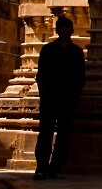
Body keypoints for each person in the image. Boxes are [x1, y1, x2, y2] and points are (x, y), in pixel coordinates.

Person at [33, 15, 85, 180]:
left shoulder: (76, 52)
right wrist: (43, 95)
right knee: (45, 134)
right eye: (61, 28)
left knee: (64, 135)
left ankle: (56, 167)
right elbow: (40, 75)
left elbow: (80, 77)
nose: (64, 31)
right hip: (49, 98)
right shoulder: (48, 50)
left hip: (67, 99)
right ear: (57, 30)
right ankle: (41, 167)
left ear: (71, 30)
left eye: (66, 28)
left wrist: (75, 96)